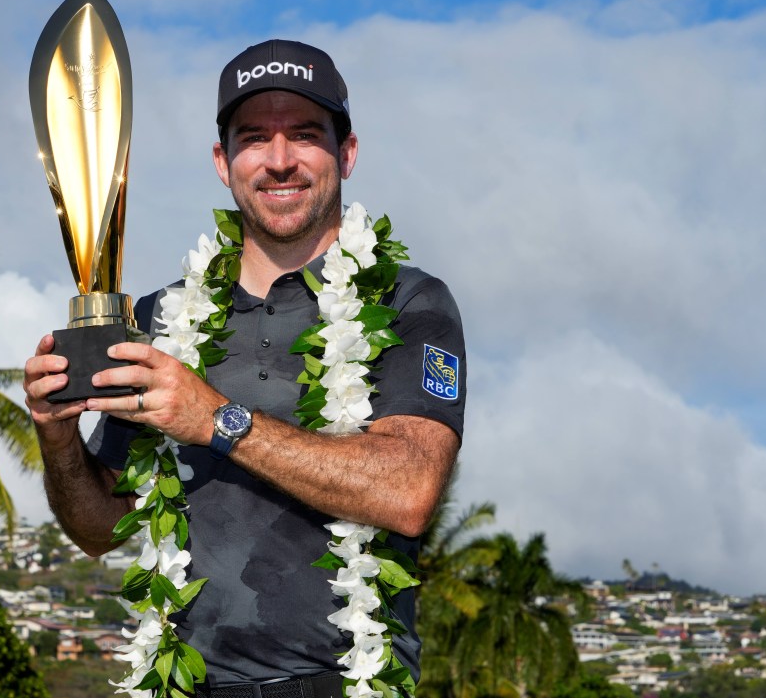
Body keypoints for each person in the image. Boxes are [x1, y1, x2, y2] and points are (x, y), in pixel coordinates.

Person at [24, 39, 466, 696]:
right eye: (254, 137)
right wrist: (56, 436)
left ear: (345, 153)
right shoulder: (158, 318)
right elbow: (98, 529)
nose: (280, 159)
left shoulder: (407, 302)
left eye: (305, 135)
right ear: (221, 160)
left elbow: (407, 492)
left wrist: (215, 420)